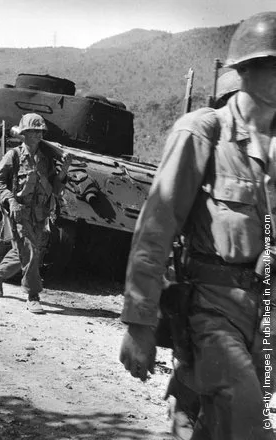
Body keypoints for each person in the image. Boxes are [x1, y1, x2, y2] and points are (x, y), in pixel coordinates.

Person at [119, 11, 276, 439]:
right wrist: (139, 323)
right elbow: (155, 231)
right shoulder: (202, 134)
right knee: (249, 424)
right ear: (248, 69)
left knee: (220, 424)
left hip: (265, 313)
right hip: (212, 307)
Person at [164, 68, 242, 440]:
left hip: (257, 301)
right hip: (204, 292)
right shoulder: (205, 141)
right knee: (200, 379)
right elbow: (164, 223)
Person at [0, 113, 70, 314]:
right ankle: (33, 295)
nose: (38, 134)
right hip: (19, 212)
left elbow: (55, 187)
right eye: (33, 131)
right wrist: (11, 200)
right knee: (31, 252)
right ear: (24, 134)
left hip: (40, 214)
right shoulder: (14, 156)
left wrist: (64, 170)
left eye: (40, 131)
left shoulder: (47, 159)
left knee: (23, 252)